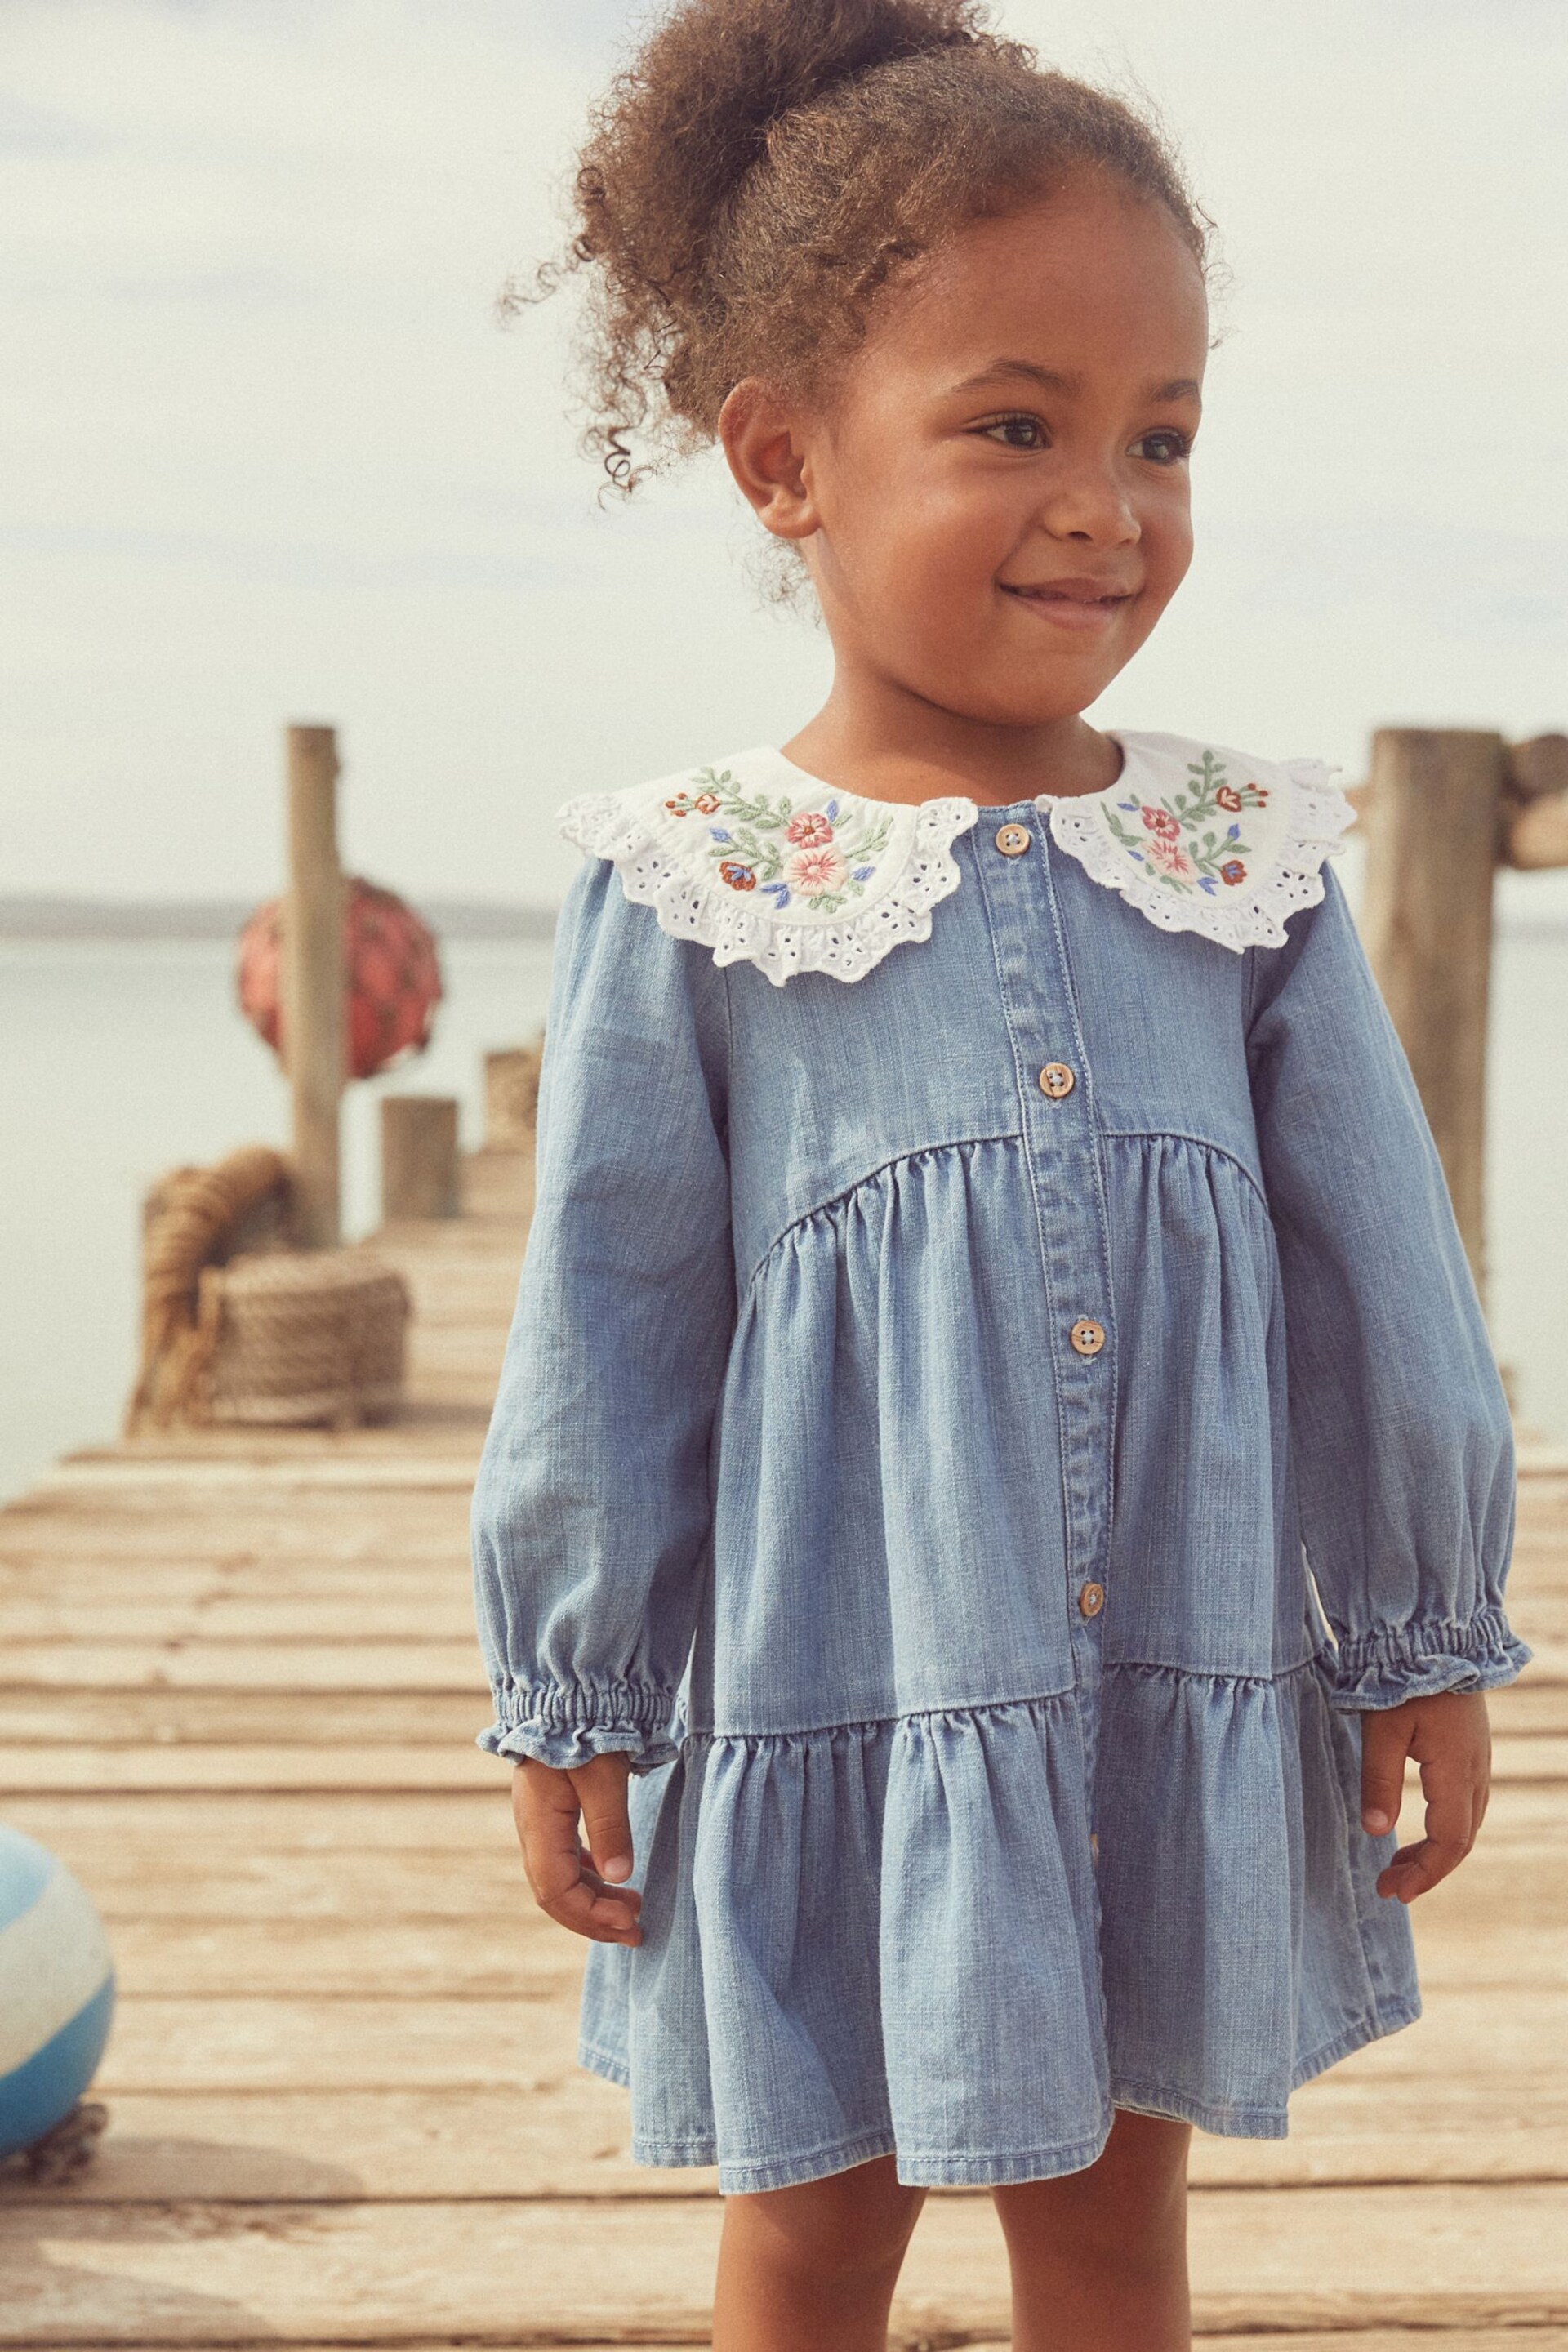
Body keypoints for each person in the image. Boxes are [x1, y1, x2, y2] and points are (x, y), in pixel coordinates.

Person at [469, 4, 1530, 2345]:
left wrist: (1427, 1640)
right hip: (840, 1694)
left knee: (1115, 2218)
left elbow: (1389, 1280)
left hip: (1171, 1683)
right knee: (814, 2222)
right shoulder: (703, 885)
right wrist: (575, 1690)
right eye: (1015, 426)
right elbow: (609, 1328)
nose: (1109, 502)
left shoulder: (1234, 859)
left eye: (1163, 434)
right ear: (784, 459)